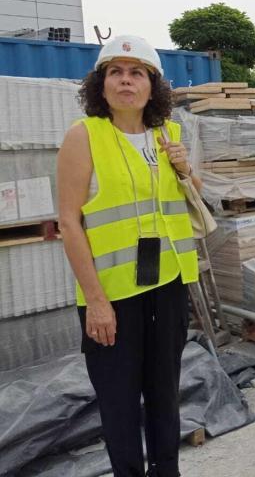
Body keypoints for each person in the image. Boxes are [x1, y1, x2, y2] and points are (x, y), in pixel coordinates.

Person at [57, 35, 200, 477]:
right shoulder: (85, 137)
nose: (125, 81)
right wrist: (95, 301)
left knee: (164, 395)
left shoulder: (168, 135)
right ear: (100, 85)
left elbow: (193, 208)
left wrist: (185, 170)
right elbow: (69, 222)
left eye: (136, 72)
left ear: (151, 85)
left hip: (169, 287)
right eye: (115, 72)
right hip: (114, 298)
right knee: (120, 406)